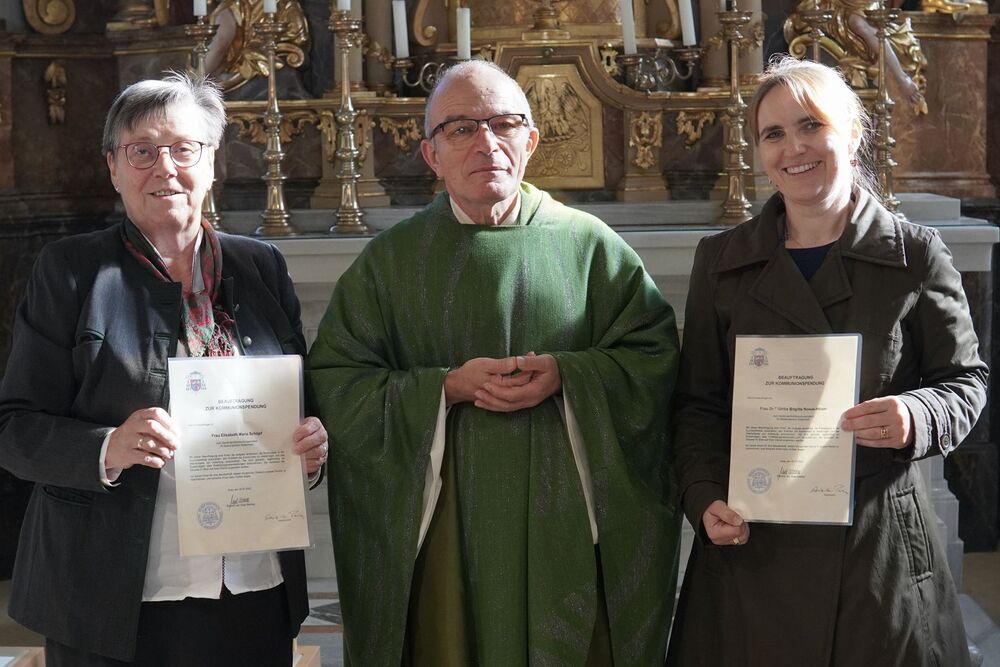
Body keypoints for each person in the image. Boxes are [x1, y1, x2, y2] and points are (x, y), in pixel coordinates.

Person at [306, 59, 681, 666]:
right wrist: (444, 388)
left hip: (567, 527)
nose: (487, 142)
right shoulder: (390, 262)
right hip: (446, 535)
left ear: (530, 141)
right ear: (431, 155)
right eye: (461, 128)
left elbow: (654, 359)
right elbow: (337, 381)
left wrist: (569, 375)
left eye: (504, 124)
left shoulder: (591, 246)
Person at [666, 56, 987, 666]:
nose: (794, 148)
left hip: (877, 550)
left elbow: (964, 382)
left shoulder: (915, 254)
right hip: (753, 544)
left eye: (811, 125)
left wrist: (917, 415)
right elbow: (698, 404)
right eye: (773, 134)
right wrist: (704, 495)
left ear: (854, 132)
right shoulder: (721, 261)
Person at [0, 73, 328, 666]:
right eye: (142, 151)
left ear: (212, 162)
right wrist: (109, 446)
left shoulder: (261, 266)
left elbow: (303, 403)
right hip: (109, 595)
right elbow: (14, 428)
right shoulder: (70, 271)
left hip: (252, 583)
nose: (165, 168)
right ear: (113, 167)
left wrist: (311, 445)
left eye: (183, 149)